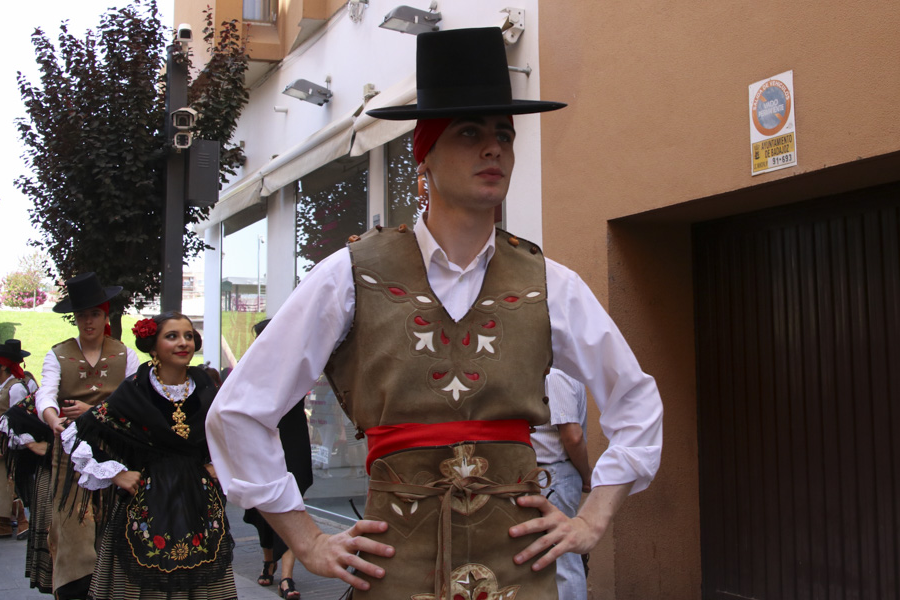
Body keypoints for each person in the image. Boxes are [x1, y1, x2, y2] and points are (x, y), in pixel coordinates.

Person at [206, 27, 663, 600]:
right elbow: (239, 412)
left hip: (521, 567)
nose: (493, 148)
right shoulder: (350, 274)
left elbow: (635, 401)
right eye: (469, 133)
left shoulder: (550, 283)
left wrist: (591, 517)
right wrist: (307, 540)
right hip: (394, 569)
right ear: (425, 153)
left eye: (504, 134)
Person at [62, 311, 236, 600]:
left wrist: (219, 464)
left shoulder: (206, 387)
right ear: (153, 347)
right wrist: (116, 473)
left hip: (198, 502)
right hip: (147, 500)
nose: (184, 343)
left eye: (189, 336)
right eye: (173, 336)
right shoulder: (134, 390)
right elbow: (81, 433)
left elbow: (230, 430)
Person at [36, 272, 139, 599]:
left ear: (105, 314)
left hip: (117, 451)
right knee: (73, 530)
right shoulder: (58, 354)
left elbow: (138, 401)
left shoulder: (125, 354)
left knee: (115, 527)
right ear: (75, 318)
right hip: (72, 453)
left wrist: (95, 412)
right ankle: (74, 592)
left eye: (94, 313)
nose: (88, 321)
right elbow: (46, 394)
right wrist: (52, 418)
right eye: (82, 315)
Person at [240, 318, 313, 600]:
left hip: (292, 439)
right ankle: (268, 561)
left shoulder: (295, 365)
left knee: (292, 502)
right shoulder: (250, 371)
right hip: (262, 441)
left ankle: (286, 577)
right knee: (261, 506)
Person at [531, 368, 591, 600]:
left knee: (563, 561)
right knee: (557, 557)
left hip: (553, 474)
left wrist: (586, 474)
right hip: (553, 475)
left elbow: (572, 436)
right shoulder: (567, 373)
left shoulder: (554, 375)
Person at [4, 367, 57, 593]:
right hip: (53, 473)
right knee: (53, 535)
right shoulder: (48, 394)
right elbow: (11, 418)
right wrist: (32, 443)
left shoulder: (110, 392)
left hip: (102, 478)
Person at [0, 339, 35, 540]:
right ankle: (3, 523)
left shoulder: (15, 388)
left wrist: (8, 442)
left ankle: (22, 522)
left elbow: (18, 418)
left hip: (7, 442)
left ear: (3, 366)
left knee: (9, 482)